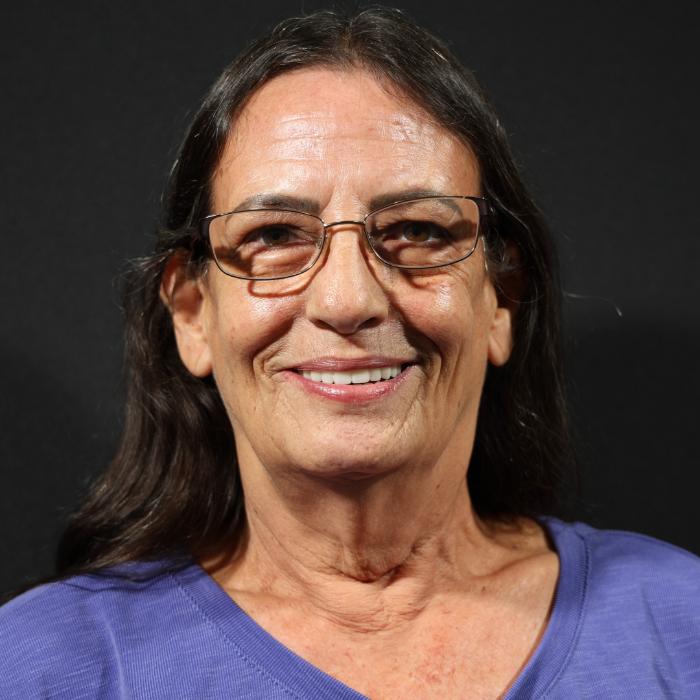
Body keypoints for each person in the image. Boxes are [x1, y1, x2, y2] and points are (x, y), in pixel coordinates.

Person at [1, 7, 698, 699]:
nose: (346, 299)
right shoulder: (43, 668)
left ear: (501, 300)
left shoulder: (680, 625)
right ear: (192, 315)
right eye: (274, 236)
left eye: (418, 229)